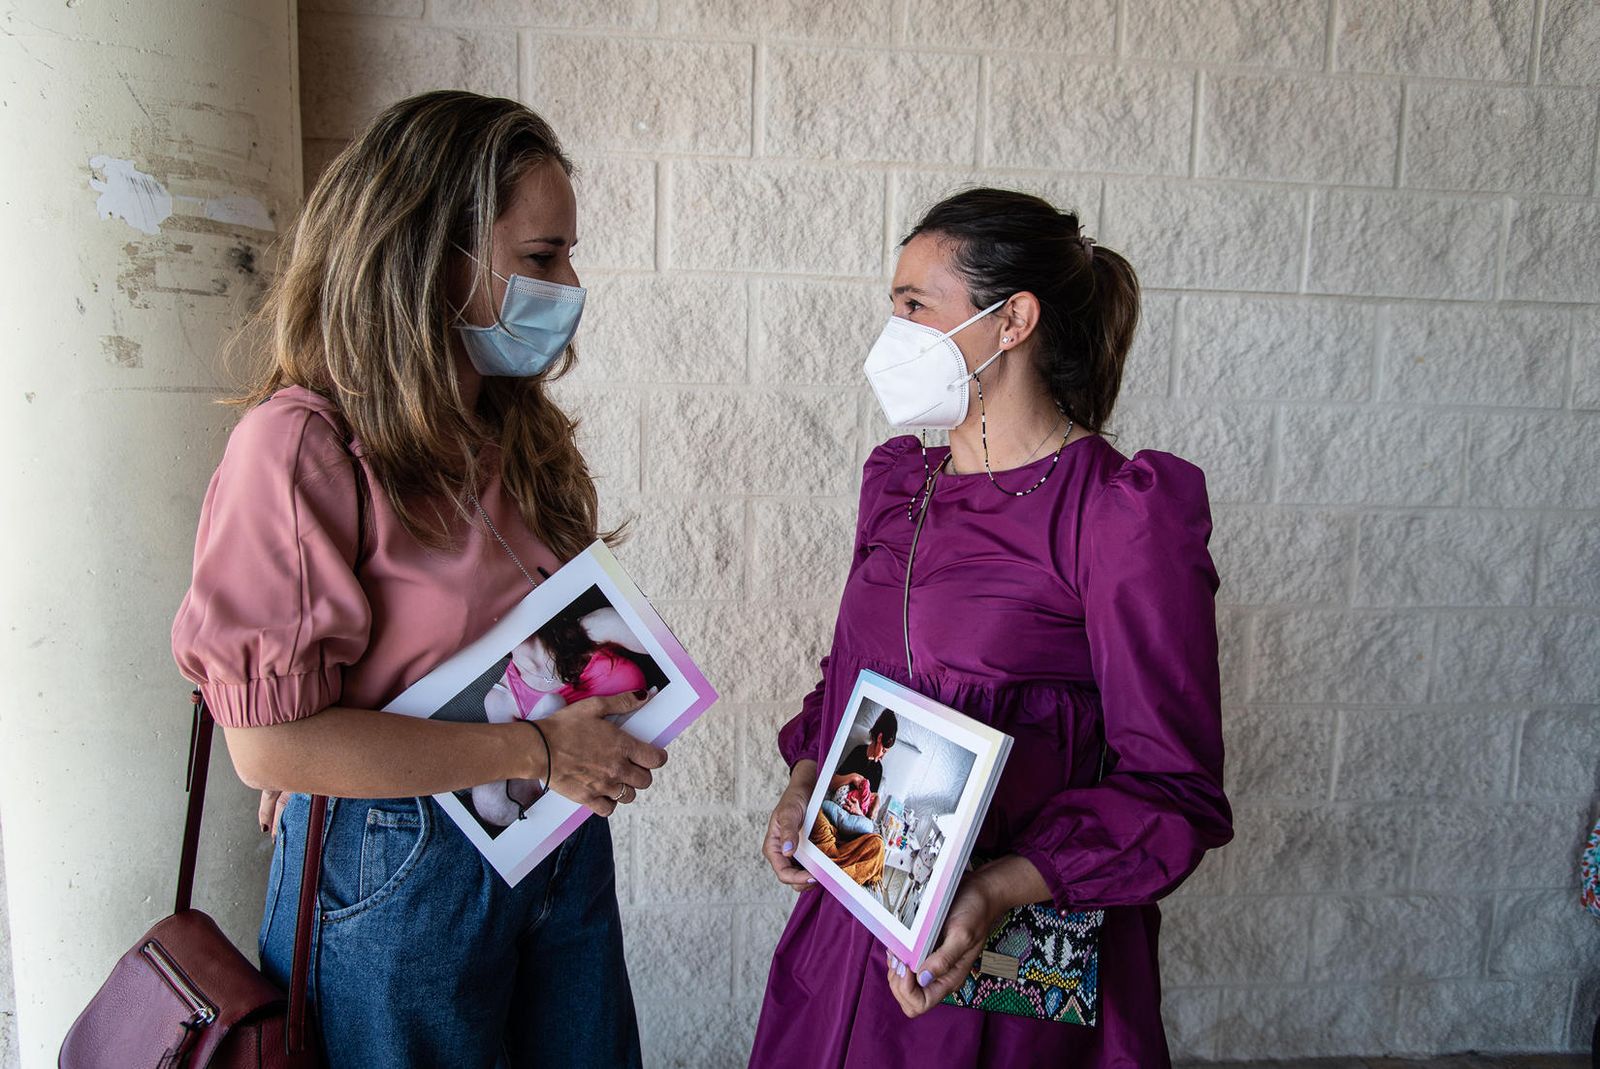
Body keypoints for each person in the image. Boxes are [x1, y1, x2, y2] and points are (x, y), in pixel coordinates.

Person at [171, 90, 666, 1068]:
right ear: (430, 253)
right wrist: (534, 747)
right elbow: (268, 749)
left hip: (553, 839)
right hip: (402, 869)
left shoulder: (509, 427)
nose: (569, 283)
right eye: (540, 258)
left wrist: (587, 730)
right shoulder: (302, 446)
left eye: (566, 253)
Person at [753, 188, 1233, 1068]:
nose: (891, 331)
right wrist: (805, 780)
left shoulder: (1121, 517)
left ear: (1012, 320)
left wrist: (996, 887)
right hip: (852, 927)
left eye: (914, 306)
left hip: (1002, 966)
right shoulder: (900, 481)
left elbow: (1174, 786)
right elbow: (850, 681)